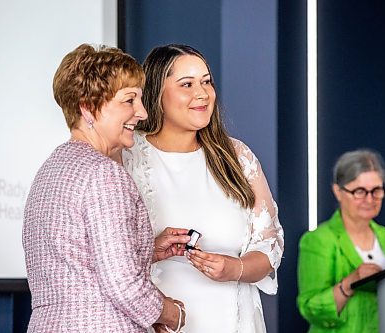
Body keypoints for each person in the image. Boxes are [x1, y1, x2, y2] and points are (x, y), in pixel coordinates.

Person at [22, 44, 187, 333]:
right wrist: (170, 313)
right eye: (129, 100)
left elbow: (77, 260)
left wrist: (146, 248)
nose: (143, 113)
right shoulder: (104, 174)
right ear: (88, 107)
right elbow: (124, 286)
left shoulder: (48, 171)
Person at [121, 44, 284, 333]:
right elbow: (111, 256)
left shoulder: (237, 157)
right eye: (187, 84)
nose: (202, 93)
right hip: (156, 324)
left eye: (206, 82)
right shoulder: (127, 158)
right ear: (157, 92)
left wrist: (236, 269)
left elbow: (270, 245)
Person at [297, 149, 385, 333]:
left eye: (376, 190)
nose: (369, 199)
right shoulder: (318, 240)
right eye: (360, 191)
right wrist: (350, 283)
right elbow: (310, 308)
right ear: (338, 192)